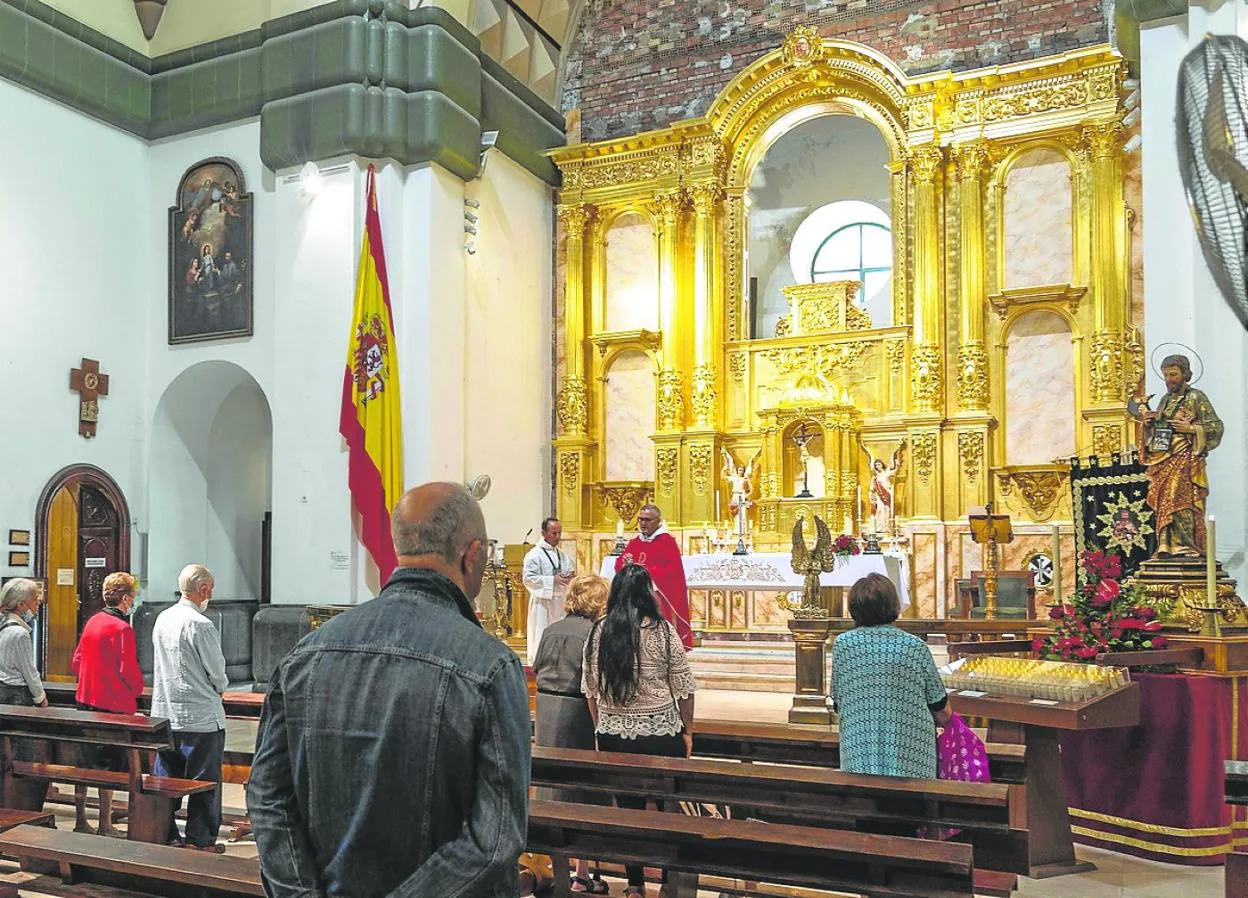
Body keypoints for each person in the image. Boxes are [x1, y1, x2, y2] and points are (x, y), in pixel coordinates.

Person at [248, 483, 530, 898]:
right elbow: (495, 838)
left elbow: (267, 796)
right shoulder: (490, 666)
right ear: (473, 555)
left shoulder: (306, 654)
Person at [583, 564, 696, 898]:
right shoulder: (661, 630)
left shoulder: (599, 630)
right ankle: (666, 882)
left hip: (613, 733)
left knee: (628, 813)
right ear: (648, 593)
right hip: (660, 732)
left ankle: (634, 884)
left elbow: (590, 690)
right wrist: (687, 730)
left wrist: (600, 728)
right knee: (666, 814)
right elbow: (684, 687)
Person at [532, 574, 609, 895]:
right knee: (583, 792)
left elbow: (536, 668)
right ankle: (580, 871)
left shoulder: (550, 630)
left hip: (547, 711)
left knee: (552, 790)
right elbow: (598, 681)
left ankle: (556, 865)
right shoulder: (594, 634)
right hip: (578, 713)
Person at [831, 573, 950, 779]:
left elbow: (838, 703)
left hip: (859, 756)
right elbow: (940, 706)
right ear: (894, 605)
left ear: (853, 607)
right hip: (911, 761)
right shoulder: (914, 646)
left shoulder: (843, 644)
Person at [151, 564, 228, 853]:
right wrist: (220, 686)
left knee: (167, 779)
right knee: (204, 781)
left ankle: (166, 832)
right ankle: (200, 839)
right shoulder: (200, 624)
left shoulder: (163, 617)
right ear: (204, 590)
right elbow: (216, 671)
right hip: (200, 717)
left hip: (165, 713)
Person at [71, 571, 143, 837]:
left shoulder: (93, 621)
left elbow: (76, 662)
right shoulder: (122, 628)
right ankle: (105, 823)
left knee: (84, 763)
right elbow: (128, 670)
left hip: (85, 701)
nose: (133, 602)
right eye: (132, 597)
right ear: (125, 598)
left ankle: (80, 819)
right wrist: (137, 690)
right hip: (112, 707)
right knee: (109, 767)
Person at [1138, 354, 1224, 558]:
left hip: (1186, 458)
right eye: (1166, 375)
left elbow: (1215, 426)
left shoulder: (1196, 397)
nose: (1169, 379)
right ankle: (1166, 545)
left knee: (1181, 499)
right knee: (1165, 500)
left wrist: (1192, 428)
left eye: (1174, 374)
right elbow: (1160, 429)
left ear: (1185, 374)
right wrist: (1149, 423)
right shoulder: (1165, 400)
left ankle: (1187, 546)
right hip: (1164, 458)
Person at [615, 505, 693, 650]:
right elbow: (619, 563)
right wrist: (625, 563)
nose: (643, 523)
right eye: (640, 519)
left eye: (647, 520)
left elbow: (672, 571)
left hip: (657, 596)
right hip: (635, 596)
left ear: (657, 521)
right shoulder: (635, 542)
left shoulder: (666, 542)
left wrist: (644, 572)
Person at [523, 517, 575, 665]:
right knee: (542, 633)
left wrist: (569, 577)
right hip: (543, 602)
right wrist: (552, 580)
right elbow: (528, 579)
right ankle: (542, 663)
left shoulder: (561, 554)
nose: (558, 537)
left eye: (559, 533)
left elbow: (568, 570)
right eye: (554, 533)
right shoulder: (534, 555)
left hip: (560, 601)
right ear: (544, 533)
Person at [0, 579, 46, 709]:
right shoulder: (20, 633)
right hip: (15, 693)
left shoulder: (3, 625)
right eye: (34, 599)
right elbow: (29, 670)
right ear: (21, 604)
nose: (38, 603)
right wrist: (40, 697)